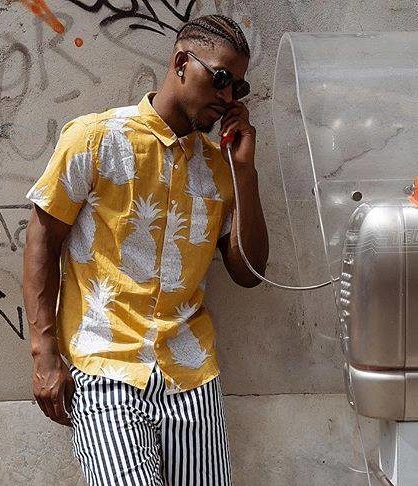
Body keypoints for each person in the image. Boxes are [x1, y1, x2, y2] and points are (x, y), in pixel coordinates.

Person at [23, 14, 268, 486]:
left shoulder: (221, 167)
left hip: (192, 376)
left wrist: (245, 171)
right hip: (106, 368)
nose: (227, 97)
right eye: (220, 79)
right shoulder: (96, 139)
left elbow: (249, 271)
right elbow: (42, 240)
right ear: (181, 63)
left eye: (238, 87)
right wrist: (43, 353)